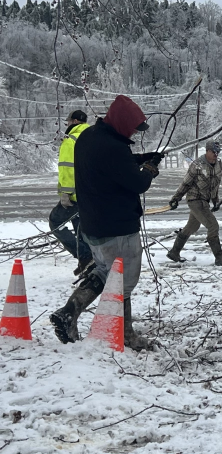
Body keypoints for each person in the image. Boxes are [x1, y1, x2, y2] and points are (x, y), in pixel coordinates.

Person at [50, 95, 162, 350]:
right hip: (118, 227)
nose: (134, 131)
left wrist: (141, 158)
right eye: (133, 127)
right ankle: (125, 334)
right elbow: (138, 183)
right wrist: (149, 169)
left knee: (104, 271)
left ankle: (68, 312)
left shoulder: (89, 137)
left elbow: (111, 166)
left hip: (93, 225)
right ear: (122, 123)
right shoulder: (113, 147)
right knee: (122, 280)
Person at [166, 139, 222, 266]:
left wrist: (215, 200)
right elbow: (186, 183)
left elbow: (215, 184)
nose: (216, 154)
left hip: (205, 201)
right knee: (213, 226)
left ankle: (174, 252)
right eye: (213, 151)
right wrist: (176, 198)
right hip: (195, 200)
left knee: (193, 226)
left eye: (217, 152)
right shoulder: (197, 165)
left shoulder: (218, 164)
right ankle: (219, 258)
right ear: (207, 151)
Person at [48, 109, 94, 276]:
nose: (66, 124)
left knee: (55, 222)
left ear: (74, 121)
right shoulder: (93, 137)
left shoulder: (71, 139)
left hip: (75, 195)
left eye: (68, 121)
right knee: (81, 228)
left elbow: (67, 167)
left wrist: (66, 193)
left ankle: (85, 256)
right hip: (91, 193)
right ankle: (88, 264)